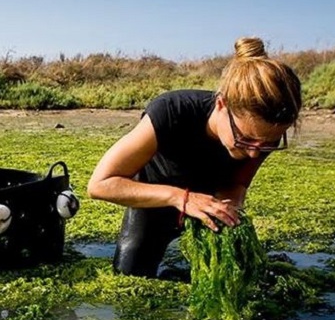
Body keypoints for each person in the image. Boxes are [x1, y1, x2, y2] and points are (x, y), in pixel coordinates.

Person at [87, 37, 302, 278]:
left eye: (268, 144)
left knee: (227, 281)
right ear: (222, 104)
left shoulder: (261, 136)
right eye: (246, 139)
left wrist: (230, 206)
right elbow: (100, 185)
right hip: (153, 203)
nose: (254, 152)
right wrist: (180, 197)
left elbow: (236, 184)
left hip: (208, 207)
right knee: (130, 277)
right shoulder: (170, 112)